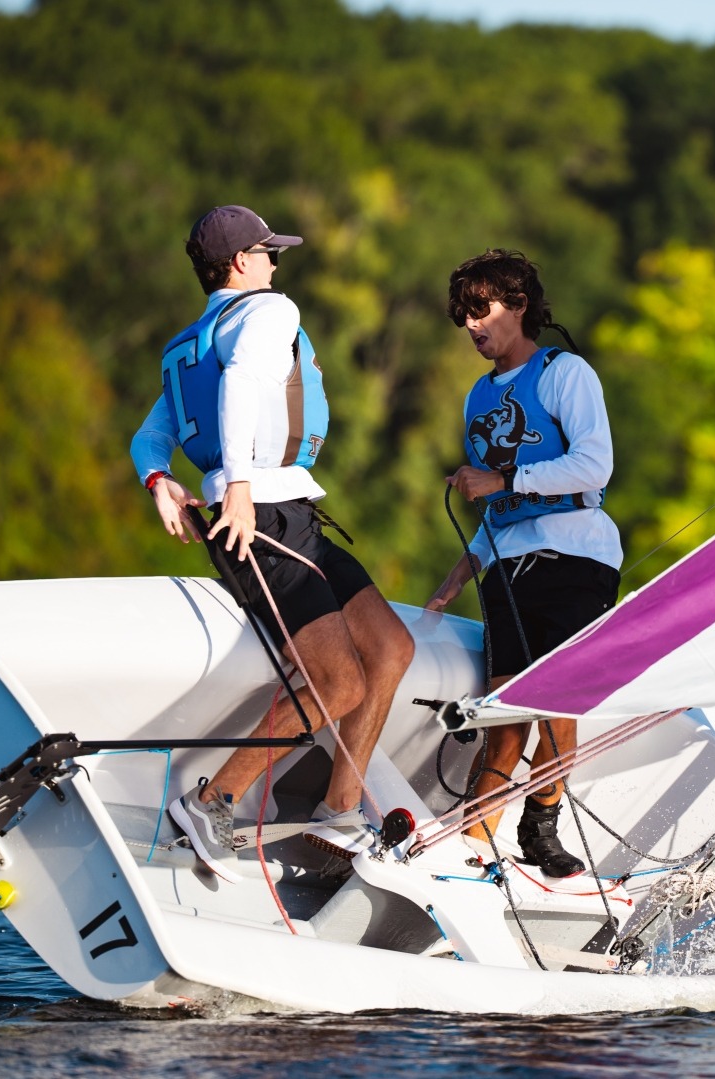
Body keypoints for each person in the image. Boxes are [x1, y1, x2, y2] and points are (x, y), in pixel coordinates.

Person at [132, 204, 413, 883]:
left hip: (289, 512)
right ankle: (211, 803)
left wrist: (159, 478)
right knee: (338, 679)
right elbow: (237, 385)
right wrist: (240, 488)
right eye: (267, 252)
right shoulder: (267, 311)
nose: (275, 262)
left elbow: (149, 433)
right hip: (259, 514)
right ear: (239, 263)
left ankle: (338, 813)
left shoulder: (187, 340)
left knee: (390, 647)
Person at [426, 250, 621, 879]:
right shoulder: (476, 398)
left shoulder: (566, 373)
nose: (471, 325)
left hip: (576, 555)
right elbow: (497, 506)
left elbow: (594, 466)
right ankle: (471, 844)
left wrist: (503, 474)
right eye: (463, 314)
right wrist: (460, 572)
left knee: (555, 701)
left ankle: (541, 823)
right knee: (503, 714)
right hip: (506, 565)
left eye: (480, 310)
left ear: (517, 305)